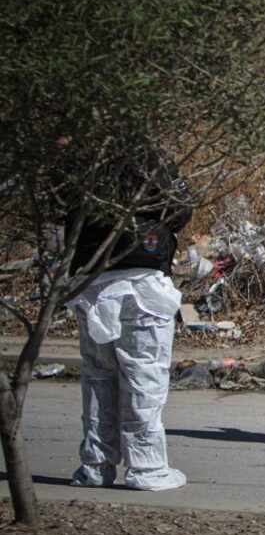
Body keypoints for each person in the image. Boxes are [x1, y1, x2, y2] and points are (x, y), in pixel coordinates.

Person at [65, 147, 191, 491]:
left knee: (98, 377)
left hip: (91, 280)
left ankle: (95, 465)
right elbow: (179, 210)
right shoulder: (151, 157)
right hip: (142, 280)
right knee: (143, 376)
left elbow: (64, 206)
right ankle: (147, 466)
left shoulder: (83, 157)